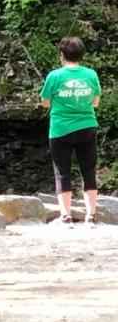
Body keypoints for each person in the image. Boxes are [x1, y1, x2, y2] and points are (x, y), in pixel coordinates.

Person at [39, 36, 102, 227]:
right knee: (88, 170)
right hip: (87, 127)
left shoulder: (54, 76)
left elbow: (45, 102)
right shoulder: (91, 75)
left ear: (61, 55)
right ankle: (90, 216)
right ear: (82, 54)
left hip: (60, 130)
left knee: (62, 172)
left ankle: (66, 217)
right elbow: (96, 101)